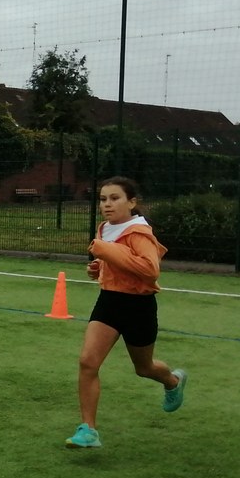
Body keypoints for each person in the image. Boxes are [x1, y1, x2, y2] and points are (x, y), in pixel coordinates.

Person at [66, 176, 187, 449]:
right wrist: (97, 268)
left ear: (132, 202)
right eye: (103, 199)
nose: (107, 204)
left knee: (144, 368)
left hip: (139, 306)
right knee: (87, 362)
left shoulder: (139, 232)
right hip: (109, 302)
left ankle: (172, 381)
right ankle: (88, 430)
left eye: (114, 198)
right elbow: (113, 263)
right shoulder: (104, 229)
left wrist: (106, 252)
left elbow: (150, 270)